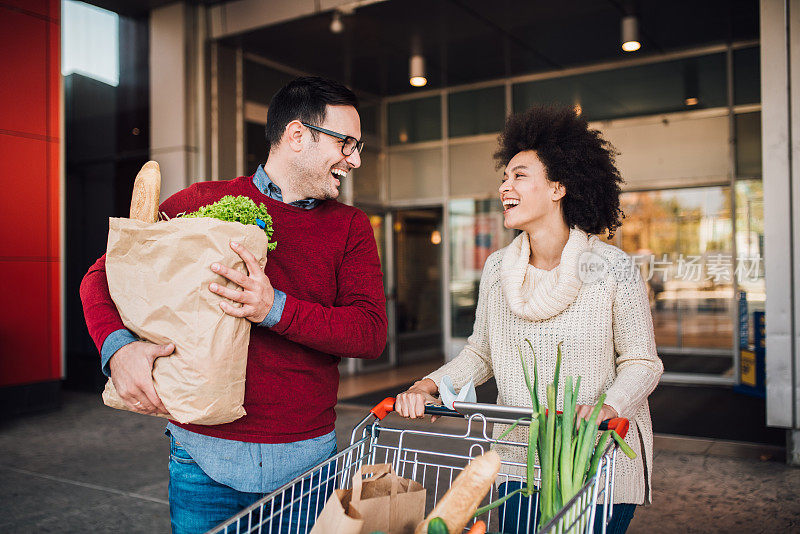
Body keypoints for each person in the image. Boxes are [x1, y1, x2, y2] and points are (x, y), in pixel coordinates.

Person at [80, 76, 388, 534]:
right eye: (346, 143)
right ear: (297, 135)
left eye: (357, 146)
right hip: (201, 458)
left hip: (308, 467)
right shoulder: (203, 202)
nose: (355, 159)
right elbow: (101, 277)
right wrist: (118, 348)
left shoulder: (351, 227)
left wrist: (274, 308)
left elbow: (369, 332)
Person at [395, 105, 663, 533]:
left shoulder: (613, 268)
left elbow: (642, 362)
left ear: (558, 188)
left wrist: (607, 407)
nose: (505, 186)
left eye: (520, 175)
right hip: (520, 465)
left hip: (592, 463)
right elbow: (481, 352)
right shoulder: (498, 269)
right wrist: (426, 385)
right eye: (505, 177)